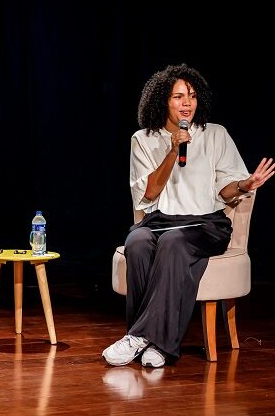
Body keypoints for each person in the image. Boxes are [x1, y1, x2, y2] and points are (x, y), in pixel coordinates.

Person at [102, 64, 274, 368]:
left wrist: (245, 184)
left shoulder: (215, 134)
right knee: (137, 241)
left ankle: (140, 337)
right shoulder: (142, 140)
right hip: (160, 220)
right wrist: (172, 151)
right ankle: (158, 343)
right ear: (162, 101)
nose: (187, 104)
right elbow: (150, 194)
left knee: (173, 243)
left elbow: (225, 191)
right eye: (179, 96)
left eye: (192, 96)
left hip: (206, 223)